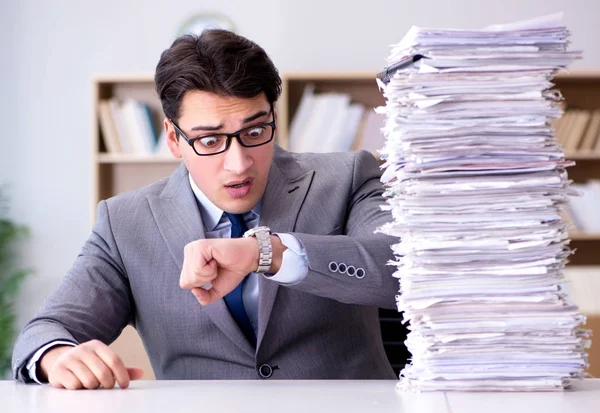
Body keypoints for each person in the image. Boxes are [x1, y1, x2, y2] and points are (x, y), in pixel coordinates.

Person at [12, 29, 399, 390]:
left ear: (274, 120)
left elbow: (402, 270)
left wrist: (269, 253)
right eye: (210, 139)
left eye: (254, 132)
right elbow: (45, 330)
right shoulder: (125, 223)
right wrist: (57, 356)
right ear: (173, 139)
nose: (239, 163)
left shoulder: (347, 177)